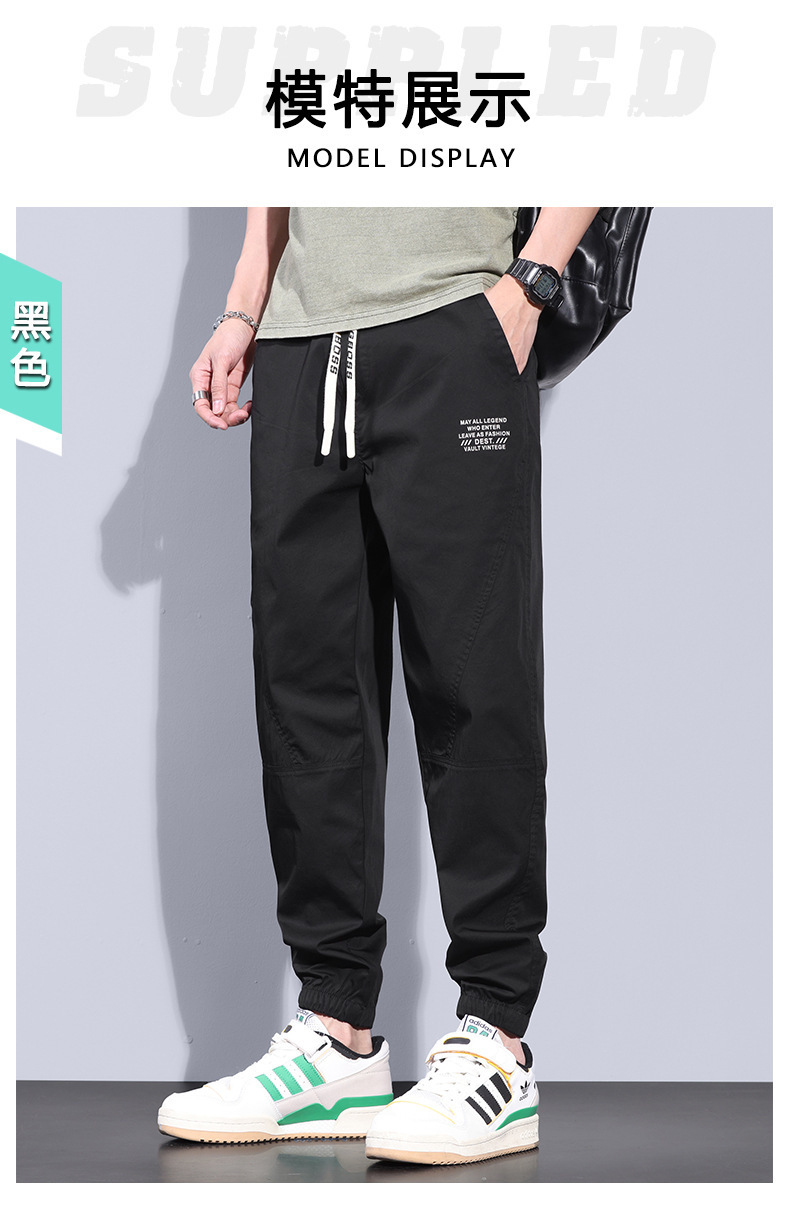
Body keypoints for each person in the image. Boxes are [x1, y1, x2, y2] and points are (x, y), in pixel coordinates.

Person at [158, 206, 599, 1165]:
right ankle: (336, 1033)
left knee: (473, 685)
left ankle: (497, 1039)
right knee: (306, 692)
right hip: (300, 341)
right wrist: (243, 308)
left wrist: (531, 282)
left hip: (455, 324)